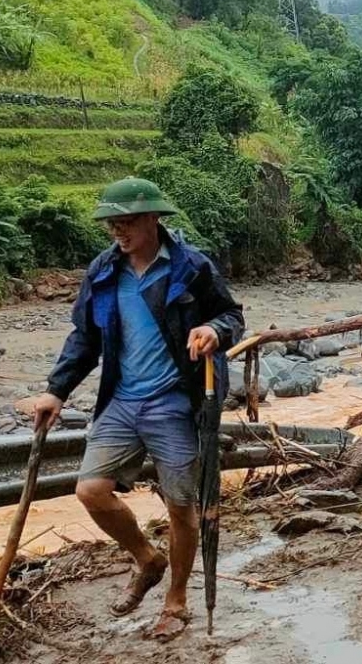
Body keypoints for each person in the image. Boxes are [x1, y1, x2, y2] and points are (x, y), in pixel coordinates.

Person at [26, 177, 244, 641]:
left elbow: (232, 317)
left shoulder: (191, 266)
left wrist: (212, 330)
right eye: (112, 226)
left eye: (126, 223)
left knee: (182, 506)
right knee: (90, 490)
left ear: (152, 219)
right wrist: (56, 391)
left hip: (176, 403)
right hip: (122, 401)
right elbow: (84, 338)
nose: (118, 233)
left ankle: (177, 599)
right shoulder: (104, 271)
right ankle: (148, 558)